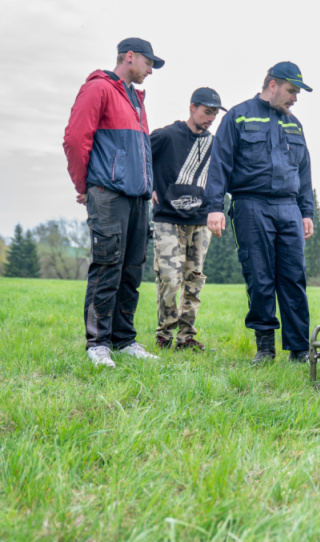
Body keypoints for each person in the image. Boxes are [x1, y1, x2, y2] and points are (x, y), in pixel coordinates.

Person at [63, 37, 165, 367]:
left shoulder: (136, 100)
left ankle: (124, 341)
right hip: (108, 194)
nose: (151, 69)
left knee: (131, 271)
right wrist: (86, 184)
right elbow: (76, 138)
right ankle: (98, 344)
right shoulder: (99, 88)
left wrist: (147, 185)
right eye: (149, 62)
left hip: (138, 199)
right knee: (107, 267)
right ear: (130, 57)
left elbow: (142, 149)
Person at [205, 61, 314, 365]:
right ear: (273, 84)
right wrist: (214, 207)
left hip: (289, 207)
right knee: (260, 277)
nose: (295, 98)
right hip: (250, 204)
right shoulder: (238, 116)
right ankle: (265, 348)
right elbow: (220, 164)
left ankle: (299, 350)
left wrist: (307, 212)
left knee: (294, 278)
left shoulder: (294, 125)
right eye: (292, 91)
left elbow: (304, 172)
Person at [150, 88, 226, 351]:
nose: (210, 118)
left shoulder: (215, 143)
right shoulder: (166, 135)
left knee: (194, 278)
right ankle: (164, 334)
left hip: (200, 219)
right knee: (170, 278)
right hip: (168, 219)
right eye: (207, 112)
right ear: (192, 107)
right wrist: (148, 186)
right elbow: (139, 158)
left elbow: (222, 175)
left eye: (214, 114)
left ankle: (187, 337)